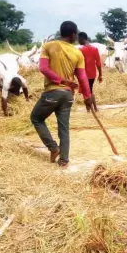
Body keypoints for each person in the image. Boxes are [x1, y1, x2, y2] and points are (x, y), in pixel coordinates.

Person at [31, 21, 93, 168]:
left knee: (36, 118)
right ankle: (64, 160)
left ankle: (53, 148)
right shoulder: (78, 53)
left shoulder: (48, 46)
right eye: (76, 34)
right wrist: (87, 97)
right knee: (63, 127)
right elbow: (82, 78)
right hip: (67, 96)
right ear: (72, 34)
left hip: (53, 92)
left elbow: (43, 69)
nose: (77, 36)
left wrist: (60, 80)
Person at [78, 32, 103, 112]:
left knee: (86, 92)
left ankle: (89, 110)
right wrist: (100, 75)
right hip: (92, 74)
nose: (78, 41)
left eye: (78, 39)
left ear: (82, 39)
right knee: (90, 90)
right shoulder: (95, 49)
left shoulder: (81, 50)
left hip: (84, 74)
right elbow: (98, 63)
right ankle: (95, 108)